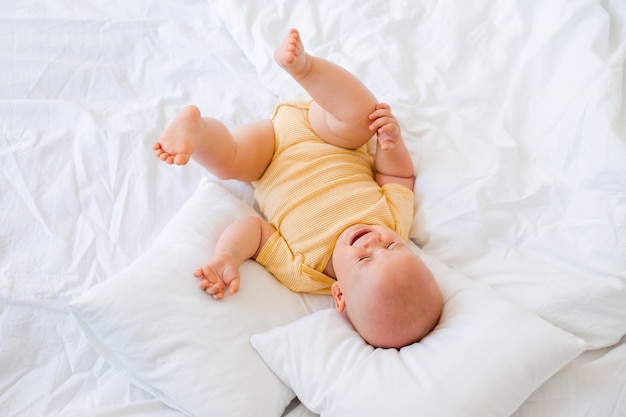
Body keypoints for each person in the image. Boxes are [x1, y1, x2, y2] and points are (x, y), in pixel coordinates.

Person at [153, 28, 443, 349]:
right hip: (326, 132)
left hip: (269, 157)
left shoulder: (304, 272)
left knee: (230, 160)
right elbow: (398, 179)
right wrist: (390, 144)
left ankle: (198, 131)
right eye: (391, 247)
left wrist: (228, 255)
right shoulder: (395, 223)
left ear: (339, 294)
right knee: (365, 117)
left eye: (364, 260)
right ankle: (304, 68)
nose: (374, 242)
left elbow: (256, 232)